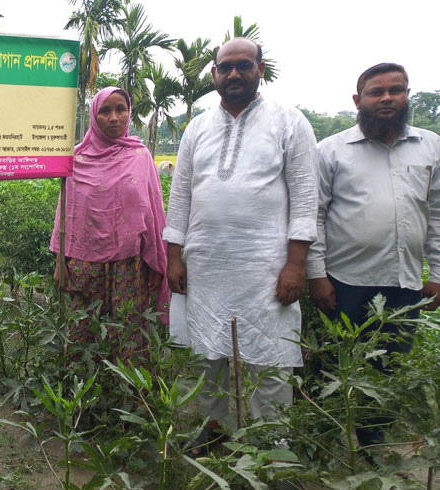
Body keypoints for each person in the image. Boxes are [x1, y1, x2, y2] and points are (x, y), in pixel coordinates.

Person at [164, 38, 318, 452]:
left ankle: (273, 447)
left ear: (260, 70)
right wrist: (174, 257)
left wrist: (295, 265)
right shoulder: (197, 127)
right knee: (204, 356)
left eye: (243, 66)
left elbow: (305, 199)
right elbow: (180, 198)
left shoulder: (290, 122)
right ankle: (213, 427)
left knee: (269, 361)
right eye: (225, 67)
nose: (233, 74)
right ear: (214, 74)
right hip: (204, 268)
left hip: (265, 270)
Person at [307, 62, 440, 446]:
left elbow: (436, 211)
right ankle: (325, 440)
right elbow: (313, 214)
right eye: (376, 92)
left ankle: (372, 443)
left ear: (407, 95)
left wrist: (437, 272)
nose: (386, 98)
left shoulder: (430, 146)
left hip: (404, 283)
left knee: (389, 367)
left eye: (395, 90)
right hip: (344, 282)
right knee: (335, 366)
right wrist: (317, 275)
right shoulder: (331, 150)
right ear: (357, 100)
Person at [50, 86, 169, 364]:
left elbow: (153, 212)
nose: (114, 117)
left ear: (129, 114)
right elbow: (65, 213)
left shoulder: (140, 157)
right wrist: (60, 261)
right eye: (105, 110)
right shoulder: (76, 160)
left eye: (121, 109)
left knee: (130, 332)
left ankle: (131, 400)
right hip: (83, 264)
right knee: (85, 332)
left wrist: (156, 261)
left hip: (130, 265)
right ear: (94, 115)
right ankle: (84, 403)